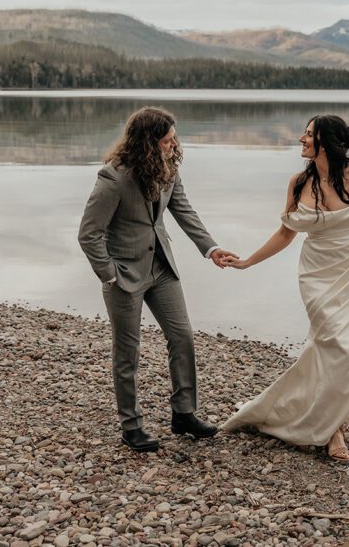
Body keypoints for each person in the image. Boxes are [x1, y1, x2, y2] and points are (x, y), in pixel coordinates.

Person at [221, 114, 349, 461]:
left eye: (308, 135)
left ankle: (334, 428)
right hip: (316, 276)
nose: (300, 139)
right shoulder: (298, 183)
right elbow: (285, 233)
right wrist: (248, 262)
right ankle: (324, 424)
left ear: (325, 141)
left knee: (346, 350)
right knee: (337, 346)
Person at [78, 107, 237, 452]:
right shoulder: (113, 178)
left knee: (182, 337)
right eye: (167, 140)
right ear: (148, 143)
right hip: (124, 274)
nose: (173, 144)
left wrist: (211, 249)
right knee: (127, 352)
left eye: (173, 138)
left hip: (162, 268)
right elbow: (89, 235)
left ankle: (183, 414)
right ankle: (131, 426)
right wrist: (110, 275)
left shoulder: (169, 170)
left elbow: (184, 211)